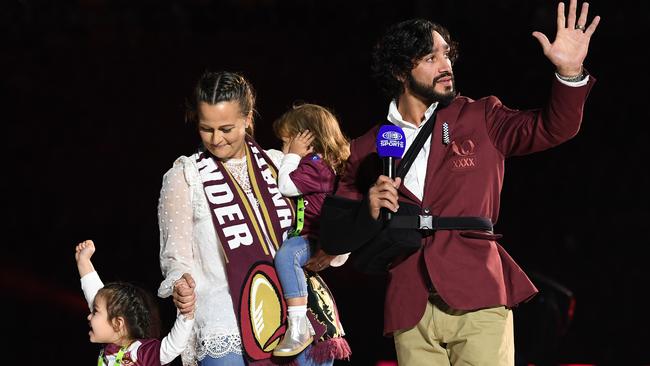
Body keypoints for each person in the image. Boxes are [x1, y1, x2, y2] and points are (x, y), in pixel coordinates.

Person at [317, 1, 600, 365]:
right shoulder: (366, 147)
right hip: (410, 306)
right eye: (430, 58)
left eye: (446, 55)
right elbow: (335, 238)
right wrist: (368, 209)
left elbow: (553, 127)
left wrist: (570, 72)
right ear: (401, 71)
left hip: (478, 294)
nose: (446, 65)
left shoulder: (481, 116)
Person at [158, 71, 339, 366]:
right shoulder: (185, 176)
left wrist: (331, 248)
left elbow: (321, 220)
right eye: (207, 129)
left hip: (296, 321)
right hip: (224, 323)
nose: (216, 140)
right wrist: (180, 283)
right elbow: (175, 256)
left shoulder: (280, 165)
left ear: (247, 118)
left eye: (227, 128)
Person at [270, 104, 351, 357]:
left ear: (306, 140)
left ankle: (297, 327)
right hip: (313, 236)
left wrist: (292, 156)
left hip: (316, 238)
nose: (284, 150)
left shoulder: (316, 165)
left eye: (287, 143)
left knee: (287, 255)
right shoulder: (321, 165)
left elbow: (285, 185)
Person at [75, 239, 194, 365]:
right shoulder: (110, 348)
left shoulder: (140, 352)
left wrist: (186, 313)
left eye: (95, 312)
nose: (89, 315)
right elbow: (96, 296)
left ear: (117, 323)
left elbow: (172, 347)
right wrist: (83, 261)